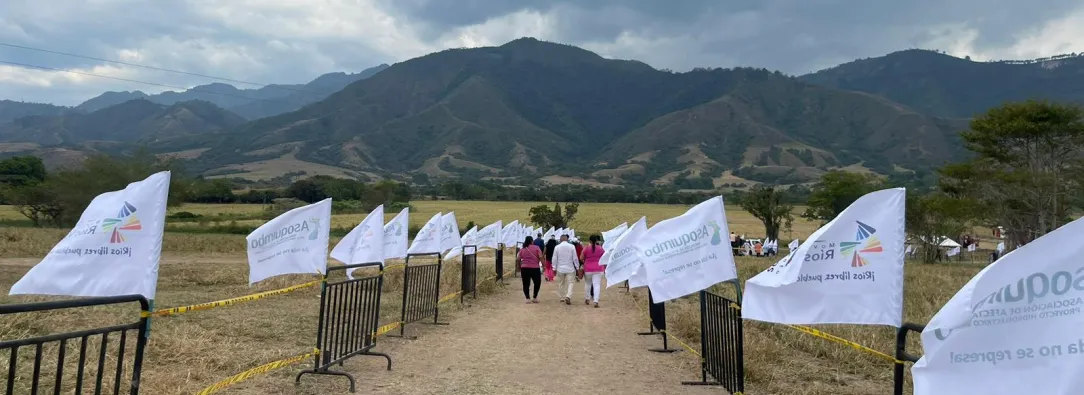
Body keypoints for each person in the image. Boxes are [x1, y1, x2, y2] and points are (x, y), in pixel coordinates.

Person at [551, 234, 580, 305]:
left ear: (560, 239)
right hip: (570, 268)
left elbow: (554, 258)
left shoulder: (557, 247)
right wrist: (577, 267)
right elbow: (575, 258)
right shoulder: (572, 246)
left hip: (560, 268)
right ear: (567, 239)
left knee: (561, 283)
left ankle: (562, 297)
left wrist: (554, 268)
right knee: (570, 282)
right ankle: (568, 296)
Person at [580, 234, 605, 308]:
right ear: (596, 240)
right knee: (597, 285)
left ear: (589, 241)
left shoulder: (586, 248)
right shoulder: (600, 248)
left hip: (588, 268)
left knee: (588, 284)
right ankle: (596, 301)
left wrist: (585, 261)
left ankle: (587, 298)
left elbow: (581, 258)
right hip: (598, 268)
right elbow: (604, 257)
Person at [517, 236, 543, 304]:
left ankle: (527, 298)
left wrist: (519, 266)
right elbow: (541, 257)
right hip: (535, 268)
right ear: (532, 241)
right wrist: (544, 265)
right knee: (537, 283)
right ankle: (534, 297)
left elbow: (518, 259)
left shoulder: (522, 249)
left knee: (526, 283)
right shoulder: (536, 247)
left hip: (524, 268)